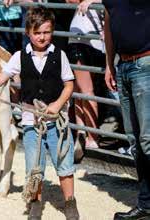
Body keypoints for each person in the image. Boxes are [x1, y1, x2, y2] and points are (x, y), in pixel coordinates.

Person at [0, 6, 79, 220]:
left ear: (52, 31)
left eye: (46, 32)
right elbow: (1, 79)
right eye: (37, 33)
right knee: (34, 166)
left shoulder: (60, 55)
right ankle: (36, 202)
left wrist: (57, 105)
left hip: (56, 121)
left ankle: (70, 202)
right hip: (31, 121)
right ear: (28, 32)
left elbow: (69, 85)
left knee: (64, 162)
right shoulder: (19, 57)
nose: (42, 37)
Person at [103, 0, 150, 219]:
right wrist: (109, 64)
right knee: (135, 140)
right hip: (123, 66)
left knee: (148, 140)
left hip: (146, 63)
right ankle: (146, 202)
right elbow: (109, 23)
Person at [67, 0, 105, 150]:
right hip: (80, 38)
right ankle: (82, 133)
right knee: (78, 90)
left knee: (86, 91)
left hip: (88, 40)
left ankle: (92, 137)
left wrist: (92, 0)